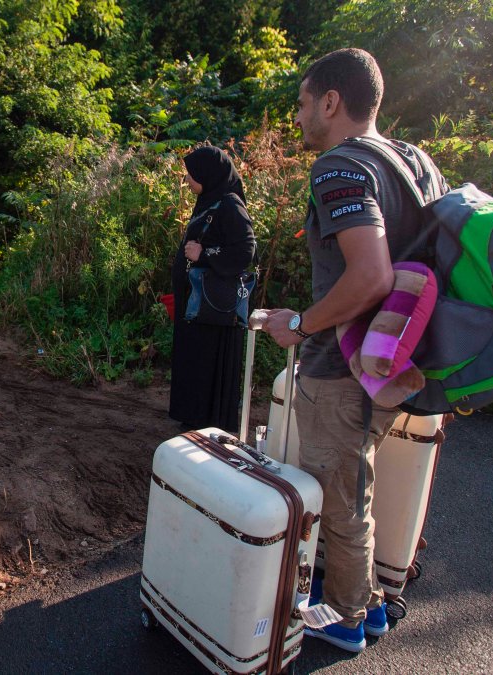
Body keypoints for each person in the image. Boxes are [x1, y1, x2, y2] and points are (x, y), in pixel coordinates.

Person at [263, 48, 447, 653]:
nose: (296, 118)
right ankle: (363, 604)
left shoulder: (339, 167)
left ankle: (346, 618)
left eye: (301, 103)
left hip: (342, 366)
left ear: (331, 102)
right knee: (356, 485)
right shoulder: (413, 161)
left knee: (340, 494)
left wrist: (302, 323)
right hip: (395, 358)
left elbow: (371, 275)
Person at [169, 146, 256, 431]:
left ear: (209, 174)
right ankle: (193, 415)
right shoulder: (209, 200)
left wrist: (204, 254)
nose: (187, 181)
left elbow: (246, 250)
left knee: (207, 357)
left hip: (213, 304)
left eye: (191, 176)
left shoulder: (229, 204)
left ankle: (208, 420)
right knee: (194, 356)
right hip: (197, 301)